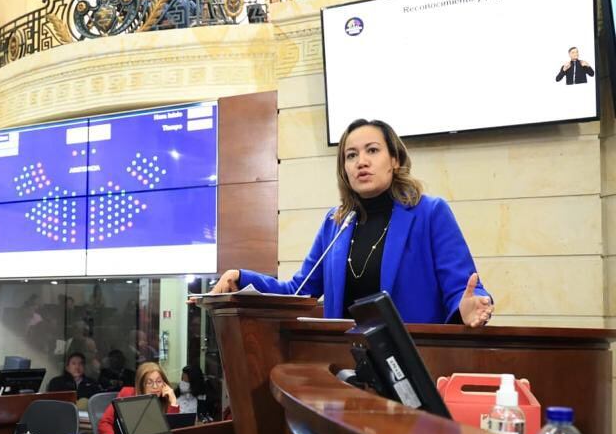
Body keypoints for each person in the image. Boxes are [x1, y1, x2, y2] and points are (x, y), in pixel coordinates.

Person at [210, 118, 494, 326]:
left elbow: (463, 287)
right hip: (345, 364)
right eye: (351, 155)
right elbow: (298, 290)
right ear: (344, 169)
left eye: (373, 150)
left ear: (394, 159)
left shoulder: (429, 213)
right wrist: (242, 277)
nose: (361, 161)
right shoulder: (335, 223)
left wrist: (470, 305)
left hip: (414, 360)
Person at [96, 362, 180, 434]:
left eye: (159, 381)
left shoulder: (164, 399)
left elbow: (171, 432)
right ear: (141, 384)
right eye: (149, 383)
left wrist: (173, 402)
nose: (155, 386)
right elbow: (105, 422)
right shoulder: (127, 393)